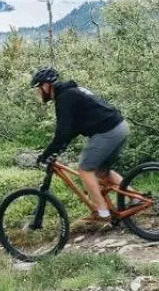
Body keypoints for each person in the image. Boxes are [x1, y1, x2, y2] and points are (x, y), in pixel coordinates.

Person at [32, 67, 129, 223]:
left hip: (109, 131)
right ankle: (135, 197)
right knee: (101, 172)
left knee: (84, 169)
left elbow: (63, 132)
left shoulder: (64, 97)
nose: (38, 93)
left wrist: (47, 153)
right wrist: (58, 149)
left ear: (45, 85)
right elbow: (72, 129)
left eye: (38, 89)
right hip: (119, 127)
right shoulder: (69, 93)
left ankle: (102, 211)